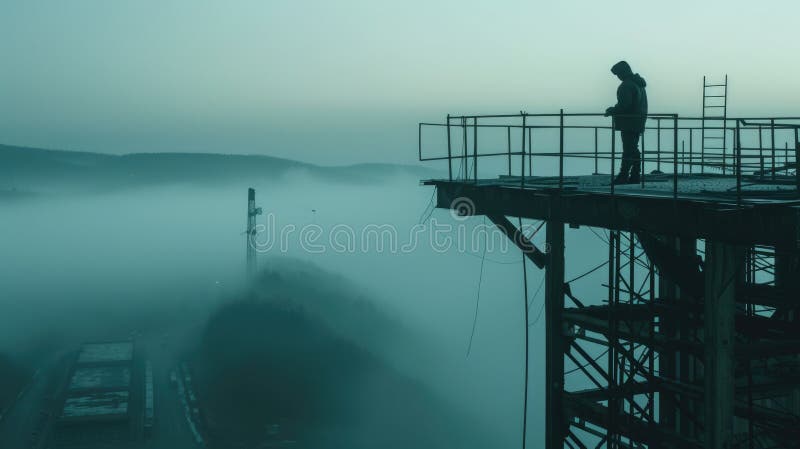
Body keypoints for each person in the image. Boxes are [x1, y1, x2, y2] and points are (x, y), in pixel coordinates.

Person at [605, 61, 648, 184]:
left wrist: (612, 110)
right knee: (633, 148)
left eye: (618, 74)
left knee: (628, 149)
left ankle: (623, 176)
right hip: (638, 121)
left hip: (629, 122)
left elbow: (625, 105)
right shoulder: (638, 84)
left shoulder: (627, 85)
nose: (618, 77)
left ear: (623, 72)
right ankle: (635, 175)